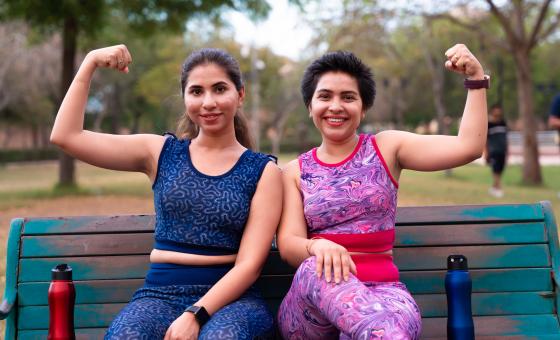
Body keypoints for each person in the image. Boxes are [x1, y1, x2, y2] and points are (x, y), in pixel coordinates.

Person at [50, 45, 282, 339]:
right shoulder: (160, 152)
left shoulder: (263, 171)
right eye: (196, 91)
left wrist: (196, 314)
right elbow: (66, 136)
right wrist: (89, 63)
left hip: (233, 301)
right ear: (185, 98)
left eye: (220, 89)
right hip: (159, 296)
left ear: (240, 94)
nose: (208, 102)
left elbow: (249, 265)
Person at [276, 44, 487, 339]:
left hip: (385, 294)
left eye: (348, 97)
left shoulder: (386, 148)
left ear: (362, 109)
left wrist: (476, 80)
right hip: (312, 309)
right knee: (314, 269)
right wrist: (317, 246)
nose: (336, 106)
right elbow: (288, 244)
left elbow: (469, 147)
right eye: (325, 96)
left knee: (387, 325)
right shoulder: (295, 171)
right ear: (310, 106)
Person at [485, 104, 508, 198]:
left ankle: (494, 188)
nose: (498, 112)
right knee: (495, 170)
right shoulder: (489, 125)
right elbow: (485, 140)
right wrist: (486, 152)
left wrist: (507, 149)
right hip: (493, 150)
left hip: (502, 150)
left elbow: (506, 138)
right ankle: (498, 188)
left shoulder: (503, 123)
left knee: (500, 170)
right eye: (496, 110)